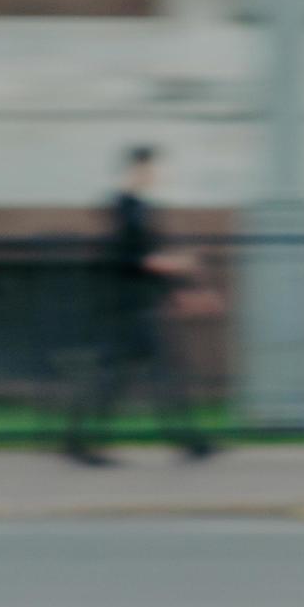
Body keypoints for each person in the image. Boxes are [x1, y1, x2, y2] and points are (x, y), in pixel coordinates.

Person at [62, 145, 216, 464]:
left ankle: (187, 441)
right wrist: (166, 266)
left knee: (139, 376)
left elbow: (146, 257)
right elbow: (126, 256)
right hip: (125, 308)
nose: (154, 175)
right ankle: (81, 442)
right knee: (129, 377)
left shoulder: (139, 209)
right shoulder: (123, 207)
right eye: (150, 169)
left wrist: (178, 289)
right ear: (135, 170)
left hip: (135, 305)